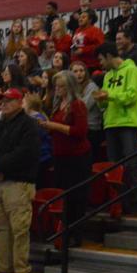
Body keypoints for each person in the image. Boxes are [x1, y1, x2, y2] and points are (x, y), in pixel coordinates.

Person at [0, 88, 41, 273]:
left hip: (18, 182)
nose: (3, 104)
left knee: (19, 228)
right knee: (0, 227)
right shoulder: (0, 124)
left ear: (19, 102)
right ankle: (4, 266)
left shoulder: (29, 125)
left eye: (8, 100)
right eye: (2, 101)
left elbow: (24, 153)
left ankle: (21, 268)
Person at [96, 43, 137, 214]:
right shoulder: (107, 76)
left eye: (100, 59)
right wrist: (101, 100)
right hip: (111, 122)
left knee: (131, 163)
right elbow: (105, 103)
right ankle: (124, 204)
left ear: (108, 55)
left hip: (128, 122)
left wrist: (109, 95)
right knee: (115, 168)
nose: (100, 64)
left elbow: (132, 96)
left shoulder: (132, 71)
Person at [44, 70, 92, 232]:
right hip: (60, 155)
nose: (57, 89)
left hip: (76, 158)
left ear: (70, 87)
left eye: (61, 86)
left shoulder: (78, 105)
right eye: (56, 86)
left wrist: (54, 126)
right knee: (62, 194)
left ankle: (75, 232)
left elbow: (80, 132)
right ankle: (63, 231)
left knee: (75, 196)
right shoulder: (58, 105)